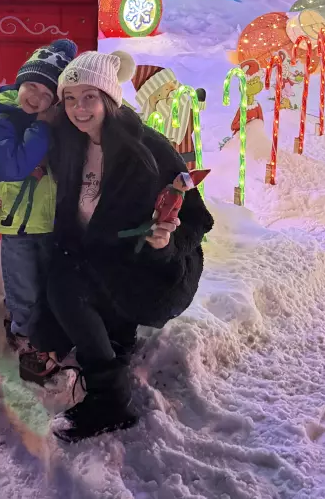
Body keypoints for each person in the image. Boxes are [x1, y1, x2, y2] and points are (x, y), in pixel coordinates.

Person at [36, 50, 214, 442]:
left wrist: (166, 241)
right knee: (55, 296)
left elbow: (198, 217)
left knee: (66, 291)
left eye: (90, 97)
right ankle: (115, 336)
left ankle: (110, 400)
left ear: (110, 99)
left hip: (140, 265)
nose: (79, 109)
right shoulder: (70, 141)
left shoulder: (147, 148)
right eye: (70, 98)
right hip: (91, 253)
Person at [0, 40, 78, 385]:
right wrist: (42, 124)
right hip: (18, 223)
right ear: (20, 80)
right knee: (22, 284)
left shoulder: (63, 123)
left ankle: (48, 336)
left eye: (46, 93)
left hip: (51, 222)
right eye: (31, 86)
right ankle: (23, 334)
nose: (35, 97)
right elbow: (15, 163)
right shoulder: (3, 115)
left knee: (48, 283)